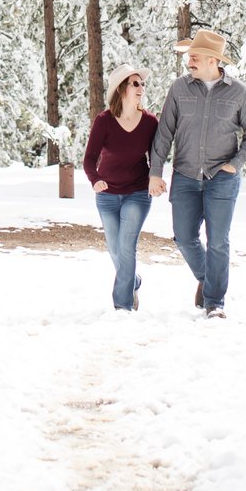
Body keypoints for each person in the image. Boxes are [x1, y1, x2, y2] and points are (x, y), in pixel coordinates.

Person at [148, 28, 246, 320]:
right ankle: (207, 278)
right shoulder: (179, 88)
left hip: (221, 178)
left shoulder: (238, 92)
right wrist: (155, 172)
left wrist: (236, 163)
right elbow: (164, 133)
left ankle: (214, 303)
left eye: (194, 57)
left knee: (218, 241)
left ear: (213, 60)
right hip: (185, 175)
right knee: (184, 238)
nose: (189, 62)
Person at [83, 63, 158, 312]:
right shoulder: (104, 121)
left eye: (142, 83)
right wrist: (95, 180)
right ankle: (133, 281)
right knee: (115, 249)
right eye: (135, 83)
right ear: (121, 89)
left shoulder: (149, 122)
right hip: (106, 195)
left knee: (127, 246)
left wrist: (155, 178)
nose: (141, 88)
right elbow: (89, 158)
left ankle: (122, 306)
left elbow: (156, 157)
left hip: (137, 193)